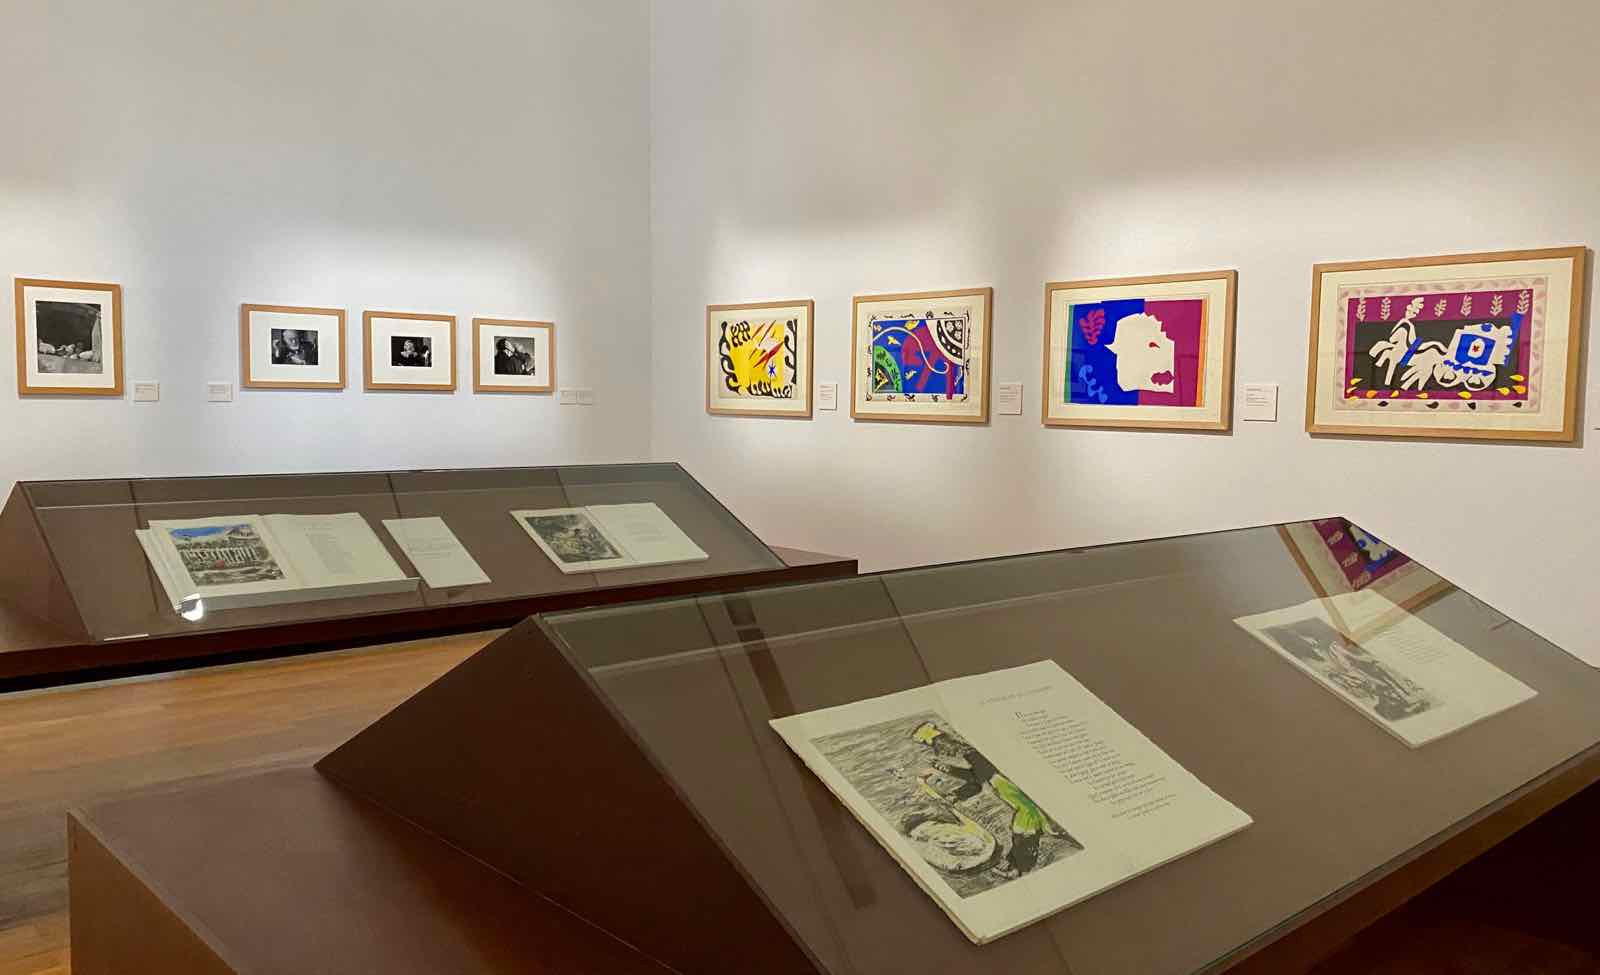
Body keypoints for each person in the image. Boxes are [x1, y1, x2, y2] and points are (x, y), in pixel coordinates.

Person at [911, 720, 1070, 875]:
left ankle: (1019, 867)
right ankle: (1018, 864)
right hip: (1006, 786)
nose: (940, 751)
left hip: (1010, 789)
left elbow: (979, 778)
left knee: (1024, 827)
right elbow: (979, 778)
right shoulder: (973, 756)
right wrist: (947, 776)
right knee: (1024, 826)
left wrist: (945, 771)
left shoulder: (973, 754)